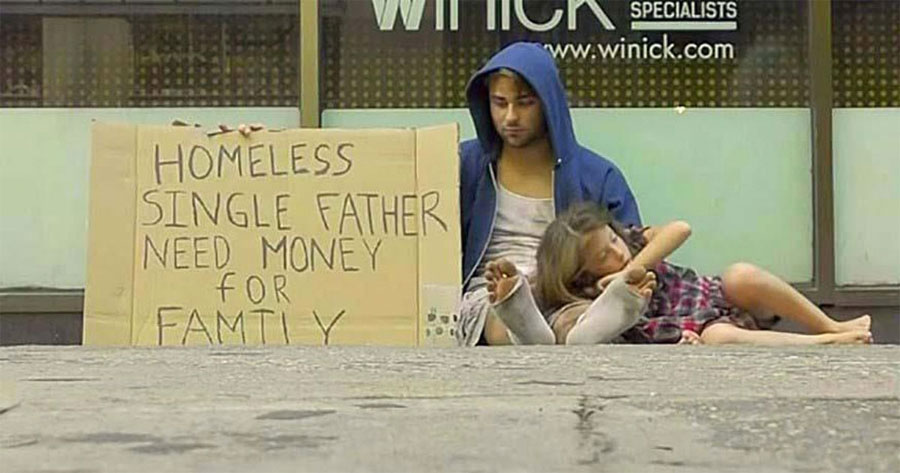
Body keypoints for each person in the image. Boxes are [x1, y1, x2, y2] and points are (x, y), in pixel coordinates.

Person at [456, 42, 642, 346]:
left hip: (567, 291)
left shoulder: (597, 175)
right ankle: (522, 323)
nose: (511, 117)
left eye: (525, 103)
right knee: (496, 315)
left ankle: (565, 330)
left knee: (578, 321)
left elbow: (633, 242)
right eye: (500, 103)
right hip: (493, 289)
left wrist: (620, 280)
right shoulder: (464, 164)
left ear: (549, 104)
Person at [486, 202, 873, 346]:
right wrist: (614, 289)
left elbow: (681, 228)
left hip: (713, 299)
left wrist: (632, 266)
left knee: (740, 274)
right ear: (584, 272)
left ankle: (828, 326)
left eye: (612, 241)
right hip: (691, 330)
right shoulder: (584, 285)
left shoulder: (634, 244)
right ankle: (815, 348)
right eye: (604, 255)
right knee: (719, 337)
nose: (616, 251)